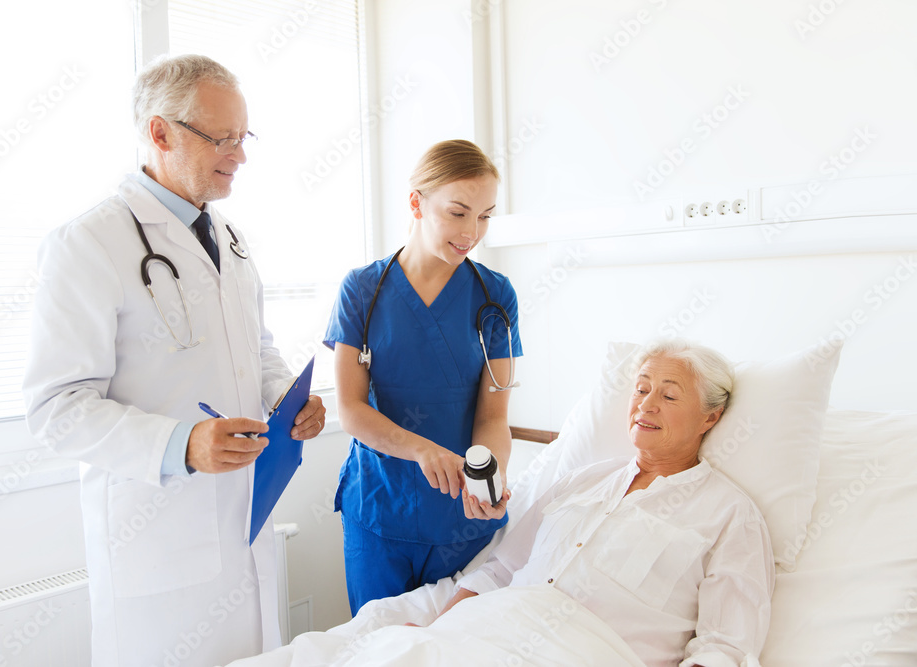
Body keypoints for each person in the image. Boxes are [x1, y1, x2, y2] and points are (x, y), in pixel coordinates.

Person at [22, 54, 325, 667]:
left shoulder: (231, 242)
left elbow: (254, 347)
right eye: (222, 139)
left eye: (244, 137)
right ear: (160, 133)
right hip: (157, 539)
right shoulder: (87, 244)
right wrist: (180, 445)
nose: (239, 155)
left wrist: (286, 393)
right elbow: (56, 407)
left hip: (246, 514)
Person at [436, 339, 775, 666]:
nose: (645, 405)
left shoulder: (730, 515)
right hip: (482, 637)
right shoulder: (578, 482)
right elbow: (499, 571)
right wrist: (435, 636)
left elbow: (723, 647)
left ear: (710, 418)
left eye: (669, 395)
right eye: (641, 390)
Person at [323, 139, 523, 615]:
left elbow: (494, 416)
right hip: (379, 509)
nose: (472, 231)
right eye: (458, 212)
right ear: (416, 202)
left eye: (485, 215)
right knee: (379, 648)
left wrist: (488, 478)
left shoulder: (495, 297)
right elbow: (349, 409)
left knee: (457, 650)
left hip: (462, 521)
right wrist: (420, 449)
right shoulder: (363, 290)